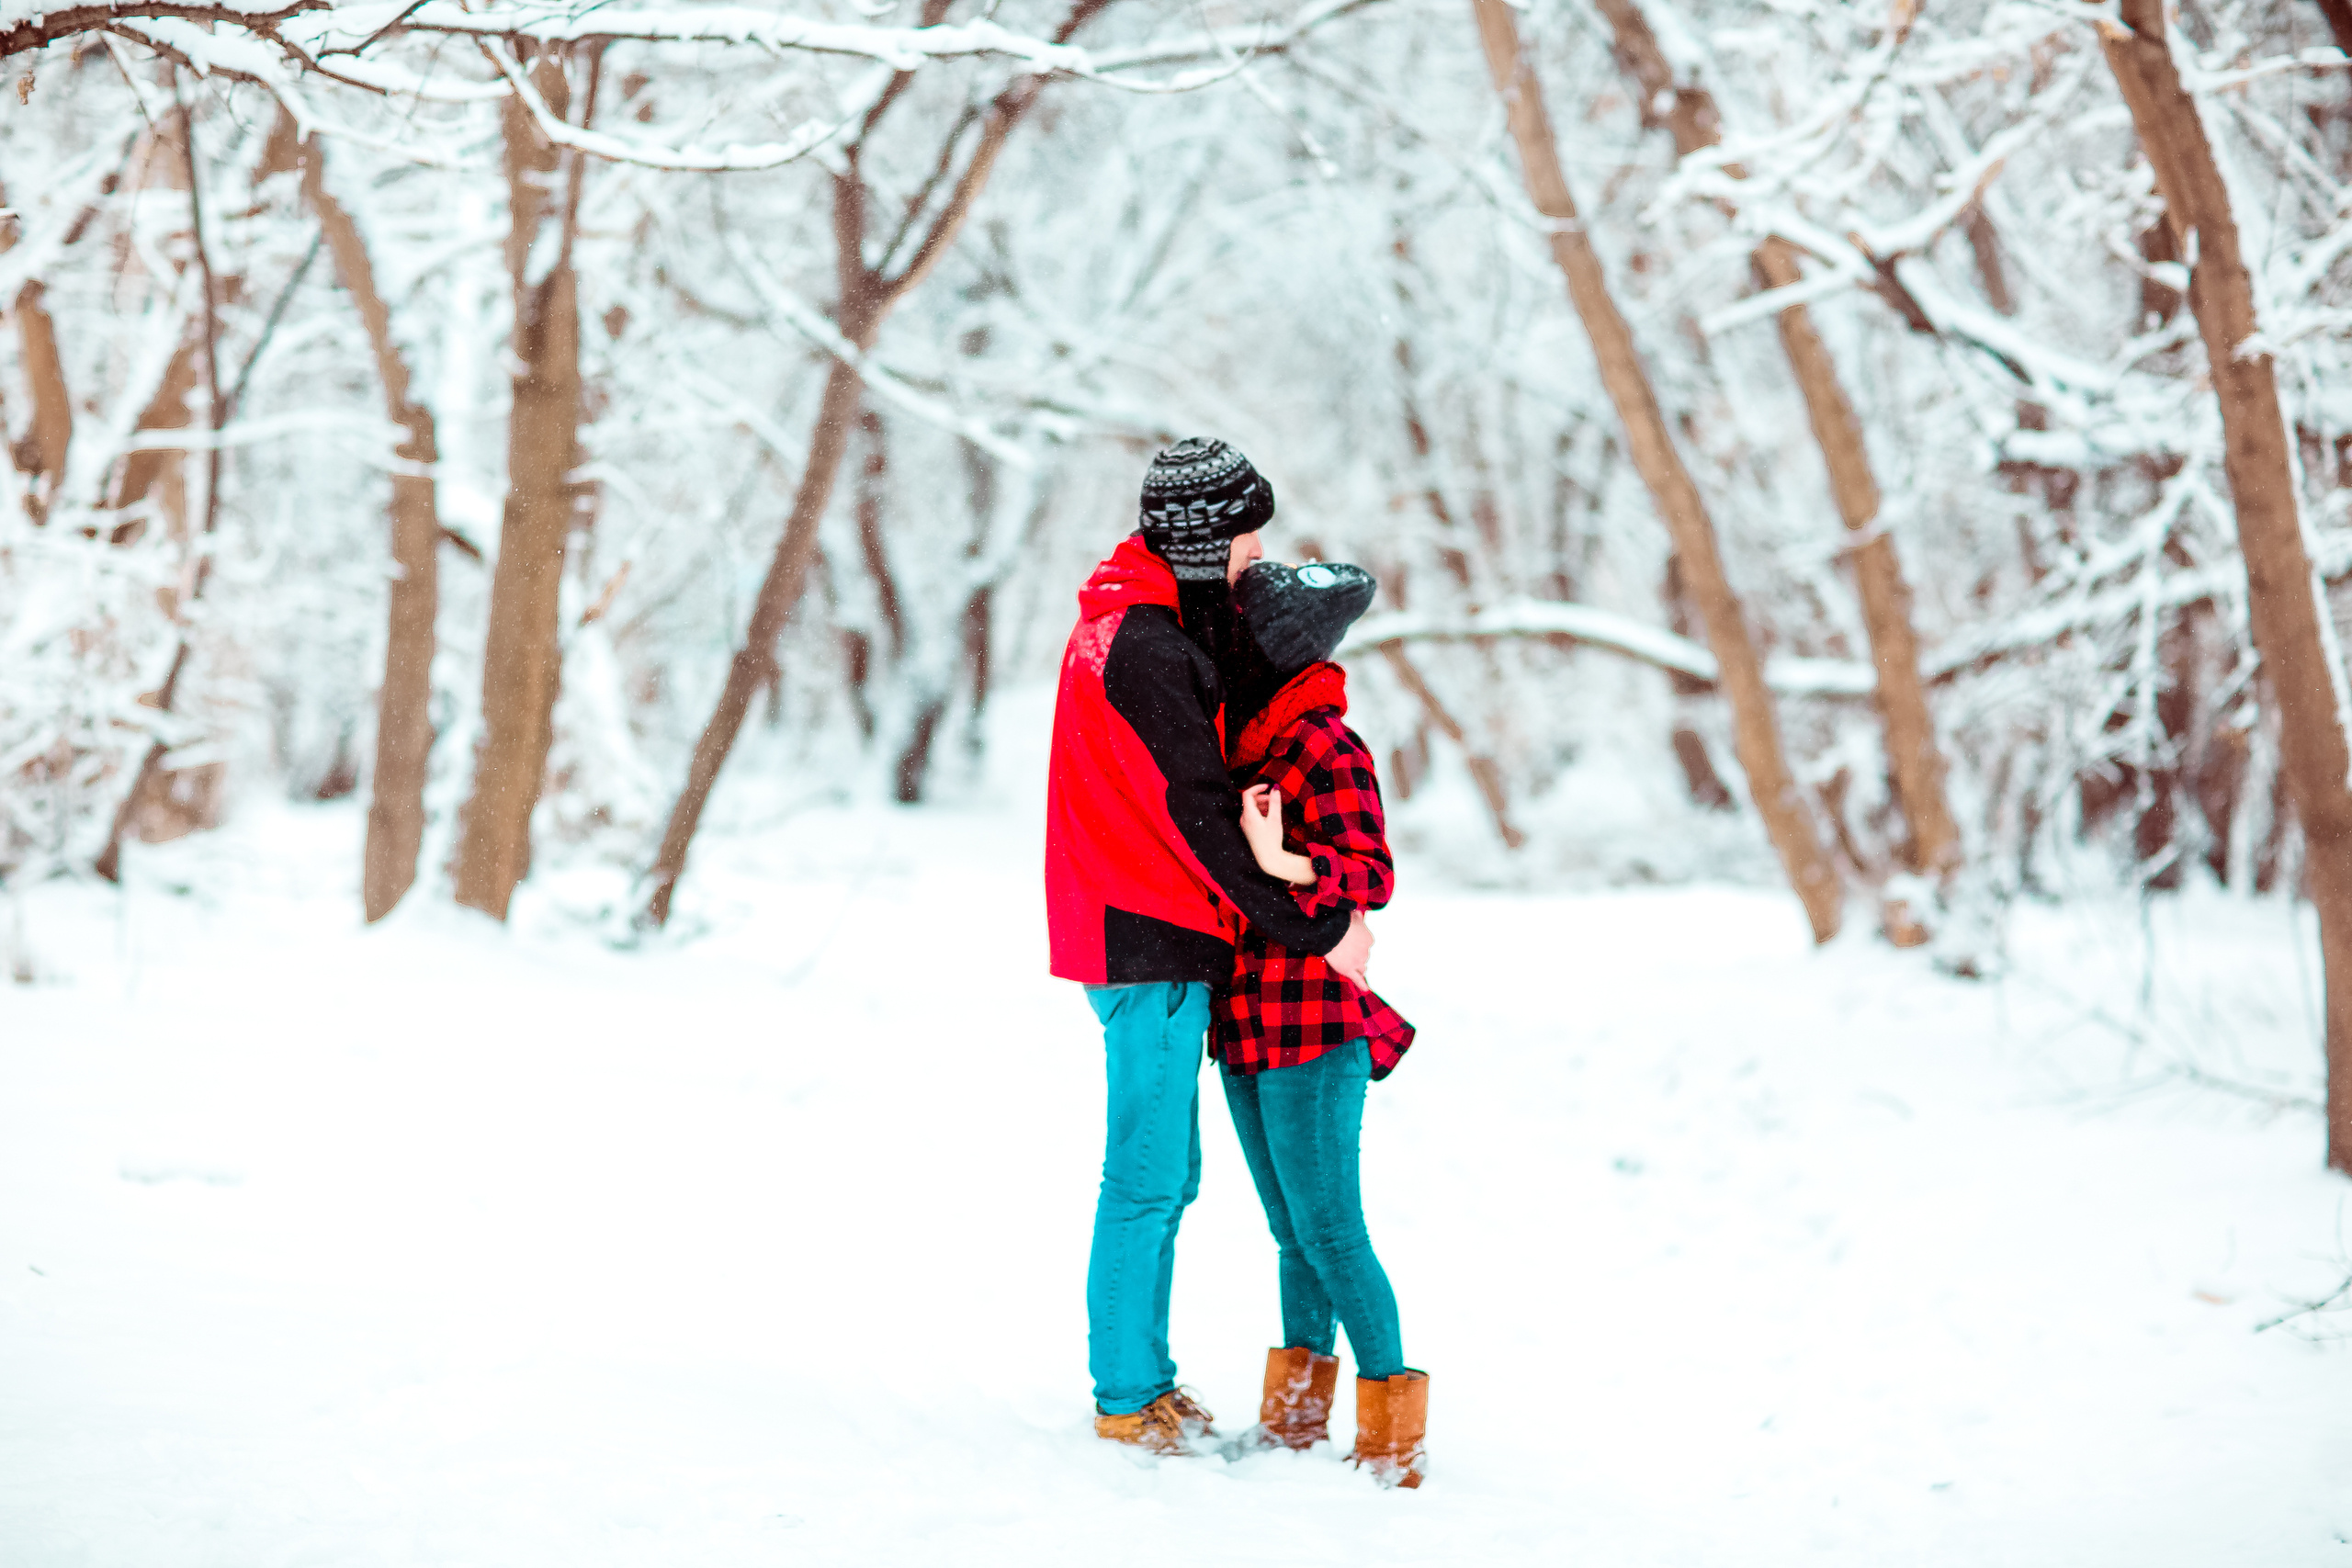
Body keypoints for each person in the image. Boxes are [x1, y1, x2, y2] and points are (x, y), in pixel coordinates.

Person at [1045, 438, 1374, 1456]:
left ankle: (1142, 1379)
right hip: (1145, 934)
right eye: (1244, 540)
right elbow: (1201, 816)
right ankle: (1127, 1394)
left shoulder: (1132, 623)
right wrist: (1315, 924)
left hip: (1136, 928)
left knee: (1167, 1173)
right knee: (1146, 1177)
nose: (1253, 559)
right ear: (1201, 542)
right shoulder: (1147, 646)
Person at [1215, 559, 1429, 1489]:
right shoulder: (1248, 744)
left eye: (1242, 636)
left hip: (1312, 1024)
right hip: (1245, 1023)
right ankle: (1296, 1425)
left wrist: (1284, 859)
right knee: (1292, 1233)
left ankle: (1393, 1444)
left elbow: (1371, 874)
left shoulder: (1325, 744)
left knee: (1332, 1230)